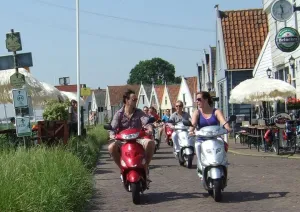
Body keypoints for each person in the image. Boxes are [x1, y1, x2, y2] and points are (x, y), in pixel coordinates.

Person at [107, 89, 155, 181]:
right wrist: (112, 135)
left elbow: (146, 121)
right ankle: (122, 168)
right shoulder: (119, 114)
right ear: (127, 100)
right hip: (123, 141)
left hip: (138, 140)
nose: (136, 101)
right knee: (111, 147)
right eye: (134, 100)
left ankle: (145, 166)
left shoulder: (139, 112)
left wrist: (149, 129)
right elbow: (113, 127)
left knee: (150, 143)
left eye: (136, 99)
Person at [188, 91, 231, 178]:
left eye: (199, 99)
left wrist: (227, 127)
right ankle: (200, 166)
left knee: (222, 144)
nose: (197, 101)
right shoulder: (197, 112)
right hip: (202, 139)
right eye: (196, 100)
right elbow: (193, 124)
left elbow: (223, 121)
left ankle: (223, 165)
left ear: (206, 99)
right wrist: (191, 131)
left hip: (215, 138)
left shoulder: (216, 111)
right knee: (197, 145)